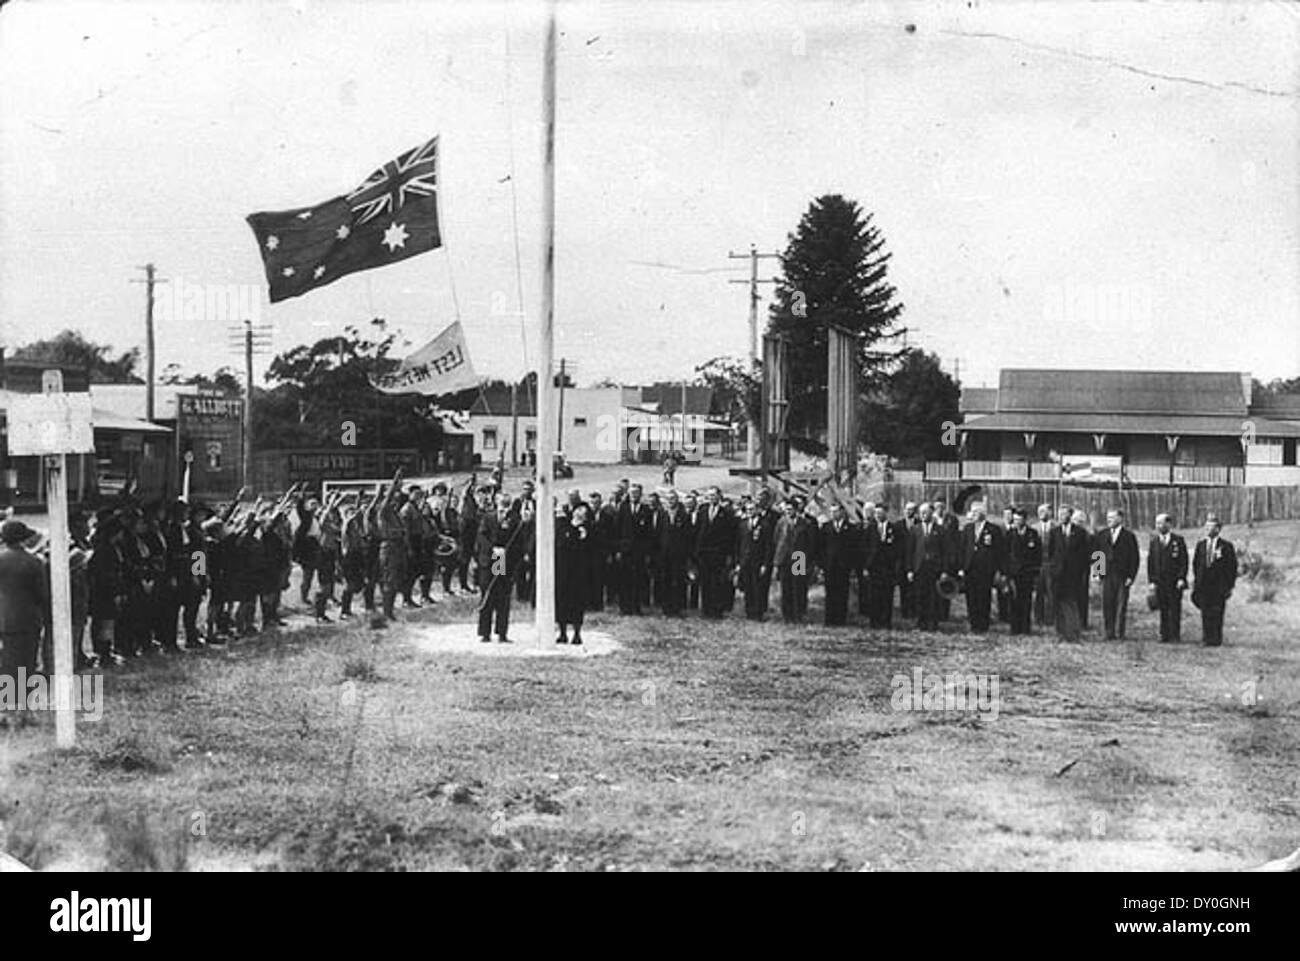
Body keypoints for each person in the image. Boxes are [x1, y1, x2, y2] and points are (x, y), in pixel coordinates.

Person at [0, 520, 49, 708]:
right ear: (23, 538)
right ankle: (23, 701)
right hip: (27, 618)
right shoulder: (35, 562)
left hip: (3, 618)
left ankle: (7, 699)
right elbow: (42, 594)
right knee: (26, 661)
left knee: (7, 660)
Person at [476, 491, 523, 643]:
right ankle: (485, 633)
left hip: (505, 560)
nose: (504, 502)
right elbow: (481, 537)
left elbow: (518, 539)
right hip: (491, 560)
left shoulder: (515, 519)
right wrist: (492, 549)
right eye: (502, 500)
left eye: (507, 500)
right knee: (488, 594)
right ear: (496, 501)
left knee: (503, 597)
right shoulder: (488, 517)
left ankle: (502, 633)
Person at [1192, 513, 1236, 647]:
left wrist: (1229, 586)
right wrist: (1197, 581)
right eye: (1206, 527)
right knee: (1205, 612)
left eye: (1211, 527)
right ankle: (1206, 638)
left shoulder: (1226, 546)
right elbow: (1196, 564)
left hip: (1219, 586)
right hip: (1204, 585)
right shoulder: (1201, 545)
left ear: (1218, 529)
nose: (1208, 530)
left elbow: (1232, 567)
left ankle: (1216, 639)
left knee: (1217, 612)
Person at [957, 503, 1003, 634]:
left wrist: (997, 569)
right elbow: (962, 549)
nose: (973, 514)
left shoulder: (993, 529)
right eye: (972, 512)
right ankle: (973, 623)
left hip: (985, 569)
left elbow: (999, 551)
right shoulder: (968, 528)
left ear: (983, 513)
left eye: (976, 512)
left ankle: (983, 625)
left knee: (984, 597)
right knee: (971, 597)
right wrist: (961, 567)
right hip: (970, 568)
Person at [1096, 508, 1139, 640]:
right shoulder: (1102, 534)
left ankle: (1119, 632)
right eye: (1108, 517)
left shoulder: (1129, 536)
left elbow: (1134, 558)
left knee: (1121, 605)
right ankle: (1108, 632)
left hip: (1122, 575)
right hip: (1106, 575)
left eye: (1112, 517)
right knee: (1107, 604)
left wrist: (1131, 576)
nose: (1109, 520)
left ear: (1120, 519)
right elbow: (1097, 553)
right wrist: (1097, 573)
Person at [1146, 512, 1188, 643]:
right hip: (1160, 582)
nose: (1158, 526)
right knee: (1163, 608)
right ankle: (1164, 634)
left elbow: (1184, 561)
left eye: (1161, 523)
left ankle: (1175, 635)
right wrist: (1152, 581)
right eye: (1157, 523)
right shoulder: (1154, 542)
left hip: (1174, 582)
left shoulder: (1178, 541)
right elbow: (1150, 563)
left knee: (1174, 608)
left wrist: (1182, 578)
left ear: (1168, 524)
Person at [1052, 508, 1092, 643]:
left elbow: (1088, 554)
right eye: (1059, 514)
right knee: (1058, 604)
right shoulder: (1055, 532)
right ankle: (1061, 633)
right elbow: (1052, 552)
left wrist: (1094, 573)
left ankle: (1073, 632)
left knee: (1072, 604)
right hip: (1058, 575)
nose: (1061, 516)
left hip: (1074, 574)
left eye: (1064, 514)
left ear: (1070, 515)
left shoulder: (1081, 533)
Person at [773, 497, 815, 623]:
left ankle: (798, 615)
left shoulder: (805, 523)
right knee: (785, 588)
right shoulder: (781, 522)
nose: (788, 512)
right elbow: (776, 539)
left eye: (790, 510)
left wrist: (808, 561)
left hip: (799, 557)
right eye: (786, 510)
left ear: (796, 510)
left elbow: (810, 543)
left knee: (798, 587)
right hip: (784, 558)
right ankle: (787, 615)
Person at [907, 502, 947, 631]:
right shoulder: (915, 529)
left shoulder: (940, 530)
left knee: (934, 598)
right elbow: (910, 551)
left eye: (926, 512)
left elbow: (945, 551)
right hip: (919, 568)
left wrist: (944, 570)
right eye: (921, 512)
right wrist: (910, 570)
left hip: (934, 569)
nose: (923, 515)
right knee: (920, 597)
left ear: (932, 513)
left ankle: (933, 624)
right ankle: (920, 623)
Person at [695, 487, 734, 619]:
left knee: (717, 582)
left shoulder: (726, 513)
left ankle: (716, 611)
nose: (711, 498)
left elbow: (730, 535)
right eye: (709, 495)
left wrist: (728, 555)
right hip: (704, 553)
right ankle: (706, 610)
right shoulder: (703, 510)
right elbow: (698, 531)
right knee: (705, 582)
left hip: (719, 553)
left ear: (719, 496)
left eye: (714, 495)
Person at [555, 501, 591, 644]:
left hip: (578, 572)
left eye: (583, 511)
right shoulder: (564, 525)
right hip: (563, 570)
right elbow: (560, 542)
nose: (579, 512)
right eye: (578, 509)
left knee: (577, 602)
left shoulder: (587, 529)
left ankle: (577, 633)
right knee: (562, 600)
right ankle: (562, 632)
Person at [1005, 507, 1042, 636]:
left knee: (1026, 600)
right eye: (1014, 519)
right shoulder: (1010, 534)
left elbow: (1038, 554)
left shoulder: (1033, 534)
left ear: (1025, 520)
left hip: (1027, 573)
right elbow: (1005, 554)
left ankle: (1025, 628)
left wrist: (1035, 571)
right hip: (1013, 573)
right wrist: (1007, 573)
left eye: (1018, 519)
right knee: (1013, 601)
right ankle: (1014, 628)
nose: (1016, 522)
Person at [863, 503, 900, 628]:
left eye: (880, 513)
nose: (878, 515)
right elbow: (864, 548)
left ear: (886, 513)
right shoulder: (870, 529)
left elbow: (898, 549)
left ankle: (886, 621)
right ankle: (874, 621)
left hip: (888, 568)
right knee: (874, 595)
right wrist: (866, 567)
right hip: (874, 568)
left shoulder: (893, 528)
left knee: (887, 595)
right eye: (876, 513)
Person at [819, 503, 856, 627]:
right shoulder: (826, 527)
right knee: (830, 593)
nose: (833, 514)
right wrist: (822, 565)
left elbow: (853, 548)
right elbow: (821, 547)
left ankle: (841, 619)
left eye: (835, 511)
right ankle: (829, 619)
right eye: (831, 512)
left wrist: (851, 565)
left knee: (842, 593)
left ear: (842, 512)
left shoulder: (850, 528)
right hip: (829, 566)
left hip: (843, 566)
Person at [658, 489, 692, 616]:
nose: (670, 501)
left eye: (673, 498)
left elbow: (688, 536)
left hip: (679, 555)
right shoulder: (662, 514)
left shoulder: (684, 515)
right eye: (668, 499)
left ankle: (677, 608)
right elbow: (657, 534)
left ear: (677, 500)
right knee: (665, 581)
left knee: (677, 582)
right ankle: (666, 609)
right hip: (664, 555)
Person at [1033, 503, 1056, 626]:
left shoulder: (1056, 528)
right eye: (1039, 511)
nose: (1041, 513)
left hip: (1051, 565)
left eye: (1044, 511)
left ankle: (1050, 619)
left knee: (1051, 592)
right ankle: (1038, 618)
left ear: (1050, 513)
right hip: (1038, 565)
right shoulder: (1034, 528)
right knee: (1038, 593)